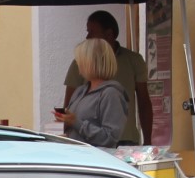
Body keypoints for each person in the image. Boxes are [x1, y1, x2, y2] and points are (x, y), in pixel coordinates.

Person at [63, 10, 151, 145]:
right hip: (83, 151)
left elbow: (144, 102)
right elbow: (68, 111)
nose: (87, 37)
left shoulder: (114, 89)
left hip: (120, 144)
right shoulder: (80, 91)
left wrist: (148, 140)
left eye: (91, 31)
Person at [56, 39, 128, 149]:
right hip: (75, 157)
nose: (77, 63)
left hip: (95, 161)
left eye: (80, 59)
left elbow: (110, 137)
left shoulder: (111, 94)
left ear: (91, 62)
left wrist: (76, 122)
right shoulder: (80, 91)